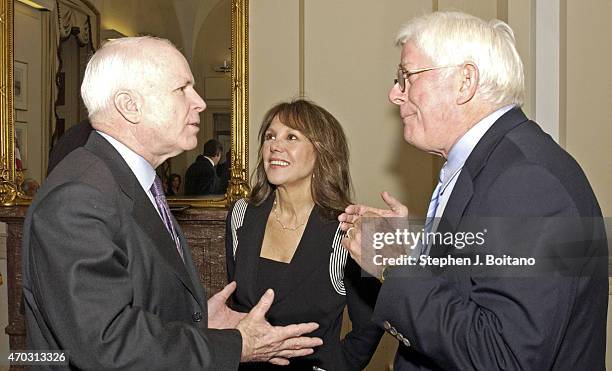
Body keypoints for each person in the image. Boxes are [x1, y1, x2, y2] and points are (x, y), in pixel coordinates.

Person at [21, 36, 323, 370]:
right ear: (129, 105)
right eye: (182, 89)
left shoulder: (126, 181)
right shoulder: (78, 196)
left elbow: (132, 300)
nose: (199, 102)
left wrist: (196, 321)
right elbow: (107, 343)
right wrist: (234, 345)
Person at [339, 12, 608, 370]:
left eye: (407, 77)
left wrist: (394, 265)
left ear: (465, 81)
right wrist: (412, 248)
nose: (394, 94)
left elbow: (503, 356)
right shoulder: (492, 164)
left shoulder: (527, 182)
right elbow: (469, 287)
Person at [226, 99, 384, 370]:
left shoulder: (350, 227)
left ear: (322, 151)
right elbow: (236, 302)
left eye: (292, 137)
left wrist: (336, 365)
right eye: (270, 136)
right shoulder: (241, 213)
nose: (275, 145)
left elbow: (371, 324)